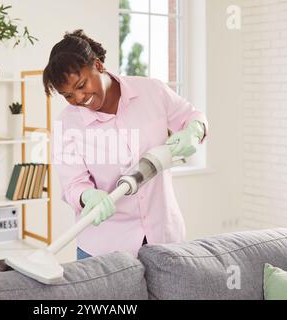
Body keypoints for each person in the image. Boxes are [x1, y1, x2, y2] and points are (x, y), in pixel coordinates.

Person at [43, 30, 208, 260]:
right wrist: (88, 195)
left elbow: (191, 115)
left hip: (165, 238)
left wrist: (194, 130)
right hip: (105, 249)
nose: (79, 98)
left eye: (81, 85)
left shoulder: (152, 91)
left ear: (98, 65)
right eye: (68, 95)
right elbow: (73, 184)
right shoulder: (67, 123)